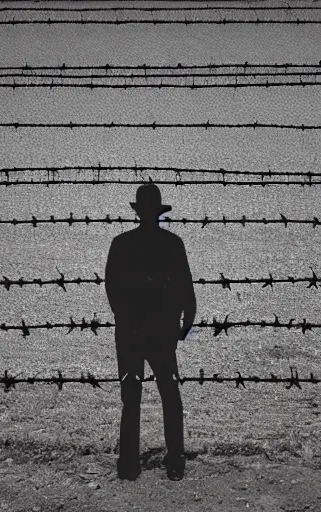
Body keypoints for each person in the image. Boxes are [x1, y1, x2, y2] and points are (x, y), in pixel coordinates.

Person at [105, 183, 197, 481]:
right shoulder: (172, 244)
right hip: (161, 330)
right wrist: (185, 320)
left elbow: (112, 289)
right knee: (169, 393)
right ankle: (175, 460)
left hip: (131, 332)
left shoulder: (121, 243)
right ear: (157, 212)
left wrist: (126, 319)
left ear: (138, 212)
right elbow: (185, 286)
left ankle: (129, 464)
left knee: (131, 396)